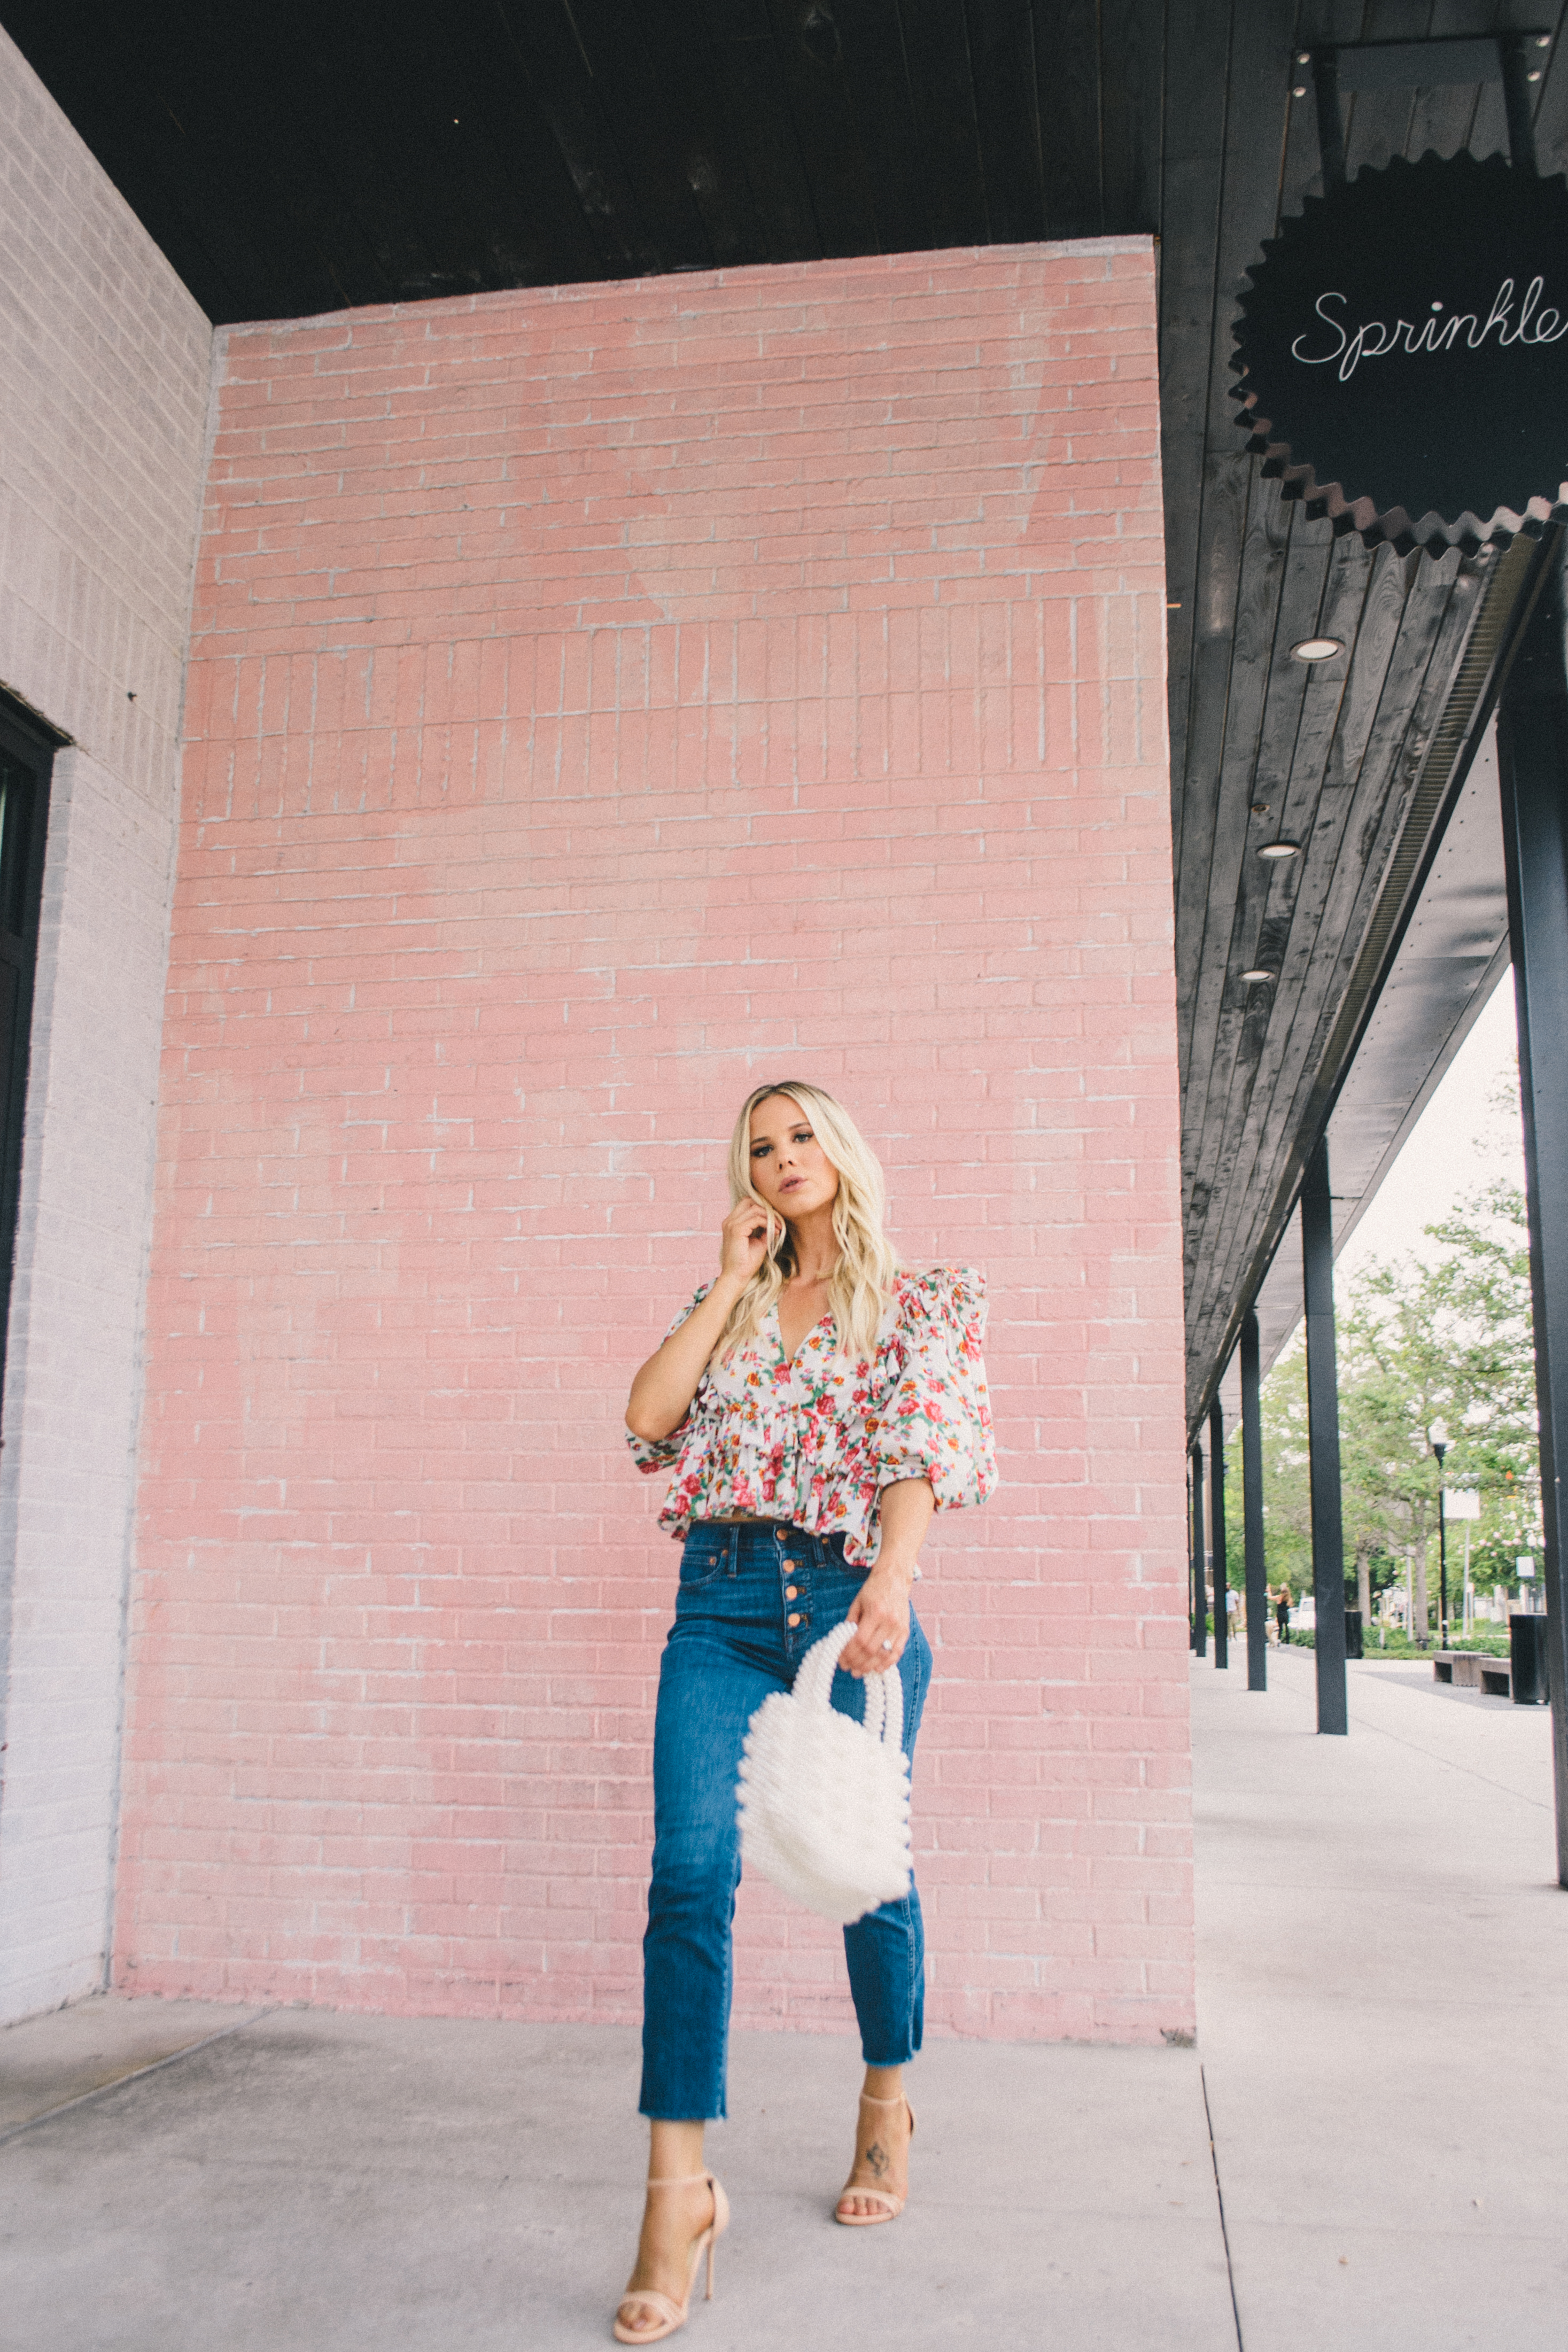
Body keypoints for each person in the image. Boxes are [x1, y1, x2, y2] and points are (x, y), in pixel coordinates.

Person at [614, 1081, 996, 2342]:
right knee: (688, 1873)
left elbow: (919, 1447)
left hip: (846, 1594)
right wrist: (727, 1281)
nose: (784, 1158)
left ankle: (887, 2097)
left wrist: (892, 1579)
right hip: (719, 1601)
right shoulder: (727, 1306)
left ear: (842, 1147)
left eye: (801, 1135)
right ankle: (677, 2195)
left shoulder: (915, 1293)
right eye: (761, 1146)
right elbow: (647, 1418)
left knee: (862, 1868)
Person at [1274, 1583, 1291, 1647]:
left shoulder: (1279, 1598)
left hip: (1279, 1615)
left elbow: (1271, 1598)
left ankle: (1279, 1640)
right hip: (1286, 1615)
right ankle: (1288, 1643)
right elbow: (1290, 1606)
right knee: (1287, 1629)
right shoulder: (1288, 1599)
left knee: (1280, 1629)